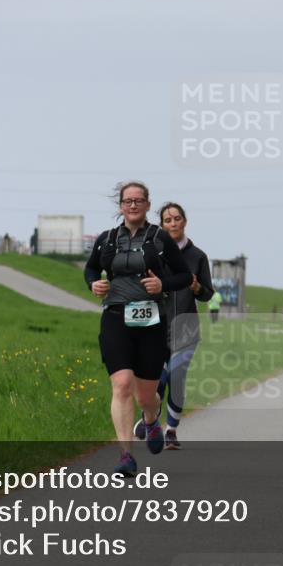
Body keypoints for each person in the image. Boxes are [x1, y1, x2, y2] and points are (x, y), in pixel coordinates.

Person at [84, 181, 192, 476]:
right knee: (121, 385)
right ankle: (126, 456)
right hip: (115, 317)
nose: (133, 205)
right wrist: (93, 283)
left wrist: (162, 284)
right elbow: (91, 268)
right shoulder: (106, 239)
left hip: (151, 321)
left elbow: (184, 276)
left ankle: (150, 418)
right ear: (120, 206)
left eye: (138, 201)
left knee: (145, 396)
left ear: (147, 205)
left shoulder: (160, 239)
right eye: (127, 201)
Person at [132, 202, 214, 449]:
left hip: (187, 328)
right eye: (168, 220)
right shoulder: (153, 254)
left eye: (177, 218)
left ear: (184, 222)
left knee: (177, 377)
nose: (173, 223)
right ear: (162, 225)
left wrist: (197, 287)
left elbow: (207, 294)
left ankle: (171, 431)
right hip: (157, 326)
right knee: (158, 381)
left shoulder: (198, 256)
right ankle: (150, 419)